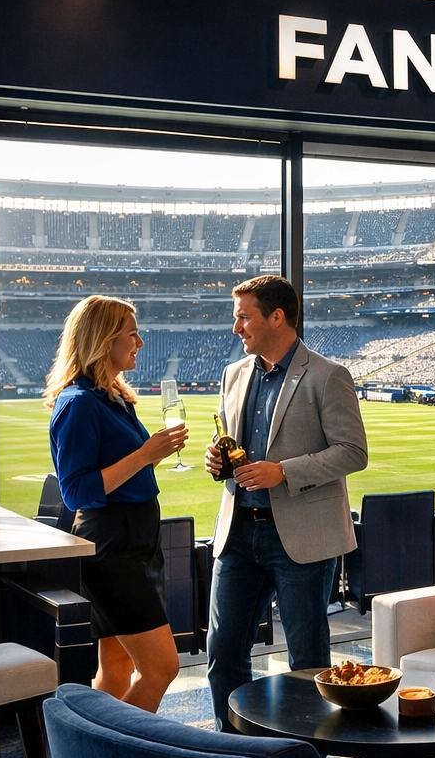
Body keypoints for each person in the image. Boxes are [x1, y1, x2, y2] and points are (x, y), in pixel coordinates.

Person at [204, 275, 368, 731]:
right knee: (223, 653)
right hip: (238, 532)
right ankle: (233, 752)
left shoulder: (328, 375)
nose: (236, 327)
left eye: (243, 317)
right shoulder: (234, 374)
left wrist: (284, 472)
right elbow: (232, 444)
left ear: (277, 317)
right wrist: (217, 459)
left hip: (301, 537)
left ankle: (306, 757)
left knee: (307, 660)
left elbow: (353, 452)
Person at [45, 296, 185, 712]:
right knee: (162, 668)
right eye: (132, 334)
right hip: (113, 548)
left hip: (135, 541)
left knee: (117, 664)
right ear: (105, 340)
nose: (140, 342)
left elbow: (121, 470)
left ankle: (93, 745)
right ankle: (120, 747)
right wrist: (145, 454)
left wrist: (151, 455)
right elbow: (76, 491)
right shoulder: (79, 403)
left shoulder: (111, 396)